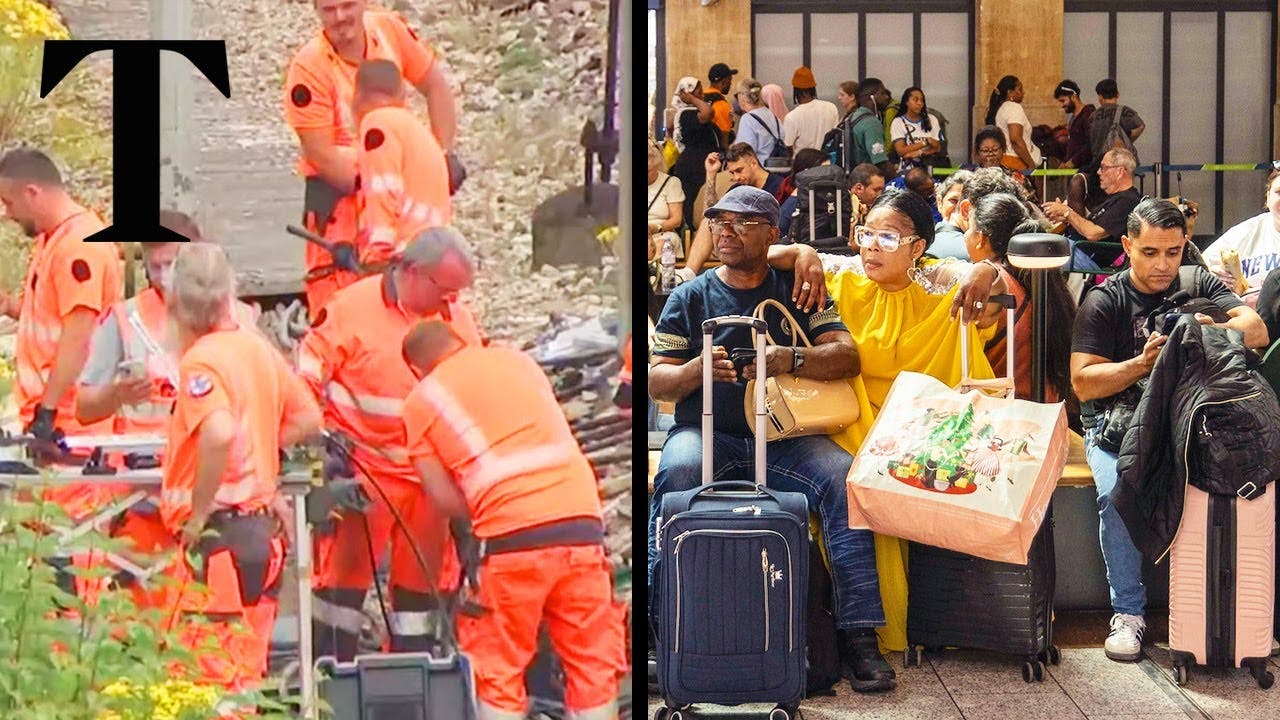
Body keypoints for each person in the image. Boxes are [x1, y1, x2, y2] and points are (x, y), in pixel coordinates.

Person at [649, 185, 897, 693]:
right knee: (678, 473)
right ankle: (658, 633)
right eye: (718, 221)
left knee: (841, 479)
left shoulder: (797, 288)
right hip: (707, 430)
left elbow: (847, 356)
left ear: (772, 233)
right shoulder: (690, 295)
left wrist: (790, 358)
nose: (725, 231)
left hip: (784, 438)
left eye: (742, 222)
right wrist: (698, 369)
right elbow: (656, 379)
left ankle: (857, 636)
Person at [766, 188, 1007, 654]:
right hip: (848, 416)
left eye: (889, 238)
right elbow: (764, 252)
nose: (872, 245)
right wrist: (804, 250)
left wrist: (985, 268)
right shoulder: (844, 272)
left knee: (903, 472)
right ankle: (855, 630)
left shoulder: (937, 279)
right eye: (866, 234)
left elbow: (989, 279)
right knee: (858, 478)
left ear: (918, 247)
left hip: (916, 421)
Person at [1070, 198, 1267, 663]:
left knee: (1243, 481)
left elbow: (1255, 330)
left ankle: (1225, 614)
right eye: (1150, 252)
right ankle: (1129, 613)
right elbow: (1082, 382)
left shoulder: (1195, 280)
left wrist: (1205, 328)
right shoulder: (1105, 299)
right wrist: (1142, 363)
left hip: (1191, 419)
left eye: (1173, 253)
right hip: (1117, 422)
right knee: (1118, 490)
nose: (1163, 265)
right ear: (1127, 246)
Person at [402, 320, 627, 720]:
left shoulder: (422, 398)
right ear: (463, 341)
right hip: (581, 523)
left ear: (418, 369)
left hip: (511, 541)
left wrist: (487, 506)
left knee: (498, 667)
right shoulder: (518, 362)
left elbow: (441, 496)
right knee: (592, 664)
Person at [297, 227, 481, 660]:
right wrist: (321, 450)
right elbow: (305, 376)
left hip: (429, 482)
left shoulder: (456, 318)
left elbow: (475, 383)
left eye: (456, 294)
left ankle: (414, 683)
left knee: (421, 600)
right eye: (444, 290)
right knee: (339, 594)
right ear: (413, 272)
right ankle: (330, 682)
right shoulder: (350, 308)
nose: (449, 303)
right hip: (366, 474)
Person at [72, 212, 259, 605]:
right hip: (146, 499)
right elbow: (85, 407)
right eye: (153, 266)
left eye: (171, 265)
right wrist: (119, 394)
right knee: (143, 619)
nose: (161, 276)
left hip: (221, 502)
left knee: (214, 621)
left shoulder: (240, 321)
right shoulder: (125, 320)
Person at [160, 242, 322, 691]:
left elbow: (217, 433)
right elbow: (308, 417)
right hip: (262, 537)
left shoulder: (203, 361)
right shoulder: (256, 349)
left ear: (176, 302)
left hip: (220, 539)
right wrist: (261, 446)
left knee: (206, 679)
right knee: (246, 678)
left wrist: (198, 511)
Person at [284, 0, 458, 319]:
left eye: (347, 6)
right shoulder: (309, 69)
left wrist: (440, 155)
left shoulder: (390, 31)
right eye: (329, 10)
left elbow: (436, 86)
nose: (340, 18)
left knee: (417, 300)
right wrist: (398, 174)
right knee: (340, 315)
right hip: (339, 207)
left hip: (392, 192)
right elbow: (321, 154)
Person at [0, 147, 123, 522]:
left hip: (69, 421)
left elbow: (78, 335)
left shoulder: (77, 246)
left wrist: (48, 411)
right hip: (51, 415)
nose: (7, 213)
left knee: (65, 532)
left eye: (8, 201)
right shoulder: (54, 240)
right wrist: (9, 306)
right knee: (40, 527)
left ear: (32, 192)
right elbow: (52, 320)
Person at [965, 193, 1076, 401]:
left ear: (981, 239)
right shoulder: (1036, 276)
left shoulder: (992, 286)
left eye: (968, 229)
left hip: (1005, 414)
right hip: (1045, 406)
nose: (965, 236)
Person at [352, 59, 452, 266]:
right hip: (434, 253)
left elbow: (384, 188)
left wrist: (377, 253)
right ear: (401, 95)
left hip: (405, 257)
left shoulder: (377, 124)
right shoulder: (418, 132)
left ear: (357, 96)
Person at [685, 143, 788, 274]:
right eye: (732, 172)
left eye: (739, 170)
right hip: (737, 241)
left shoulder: (780, 185)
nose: (736, 177)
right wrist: (711, 175)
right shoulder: (737, 189)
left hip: (767, 243)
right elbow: (709, 215)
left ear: (753, 163)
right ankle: (688, 273)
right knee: (708, 222)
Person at [1042, 148, 1142, 273]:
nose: (1099, 172)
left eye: (1104, 168)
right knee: (1033, 243)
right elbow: (1091, 225)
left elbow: (1093, 233)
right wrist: (1065, 217)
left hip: (1085, 257)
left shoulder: (1127, 201)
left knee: (1033, 251)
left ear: (1120, 171)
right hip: (1076, 249)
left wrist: (1067, 212)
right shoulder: (1115, 198)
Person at [1202, 169, 1280, 303]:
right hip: (1244, 318)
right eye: (1279, 192)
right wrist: (1212, 276)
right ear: (1267, 197)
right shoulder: (1246, 231)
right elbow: (1200, 267)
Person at [668, 76, 723, 231]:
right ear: (687, 92)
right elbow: (708, 112)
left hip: (702, 164)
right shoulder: (686, 114)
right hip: (693, 167)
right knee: (693, 203)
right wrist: (692, 99)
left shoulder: (691, 111)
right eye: (697, 88)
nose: (701, 91)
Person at [984, 75, 1040, 172]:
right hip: (1016, 163)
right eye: (1020, 89)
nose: (1023, 92)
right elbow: (1015, 140)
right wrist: (1031, 164)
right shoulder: (1013, 108)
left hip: (1001, 161)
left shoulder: (998, 109)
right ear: (1010, 93)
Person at [842, 79, 895, 177]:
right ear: (871, 97)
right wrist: (898, 180)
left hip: (854, 177)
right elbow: (880, 162)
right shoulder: (871, 123)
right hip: (868, 179)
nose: (887, 97)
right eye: (882, 93)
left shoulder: (853, 116)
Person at [733, 76, 786, 169]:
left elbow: (744, 153)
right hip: (778, 169)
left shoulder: (748, 119)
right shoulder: (771, 114)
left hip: (761, 171)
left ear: (742, 97)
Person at [783, 66, 839, 153]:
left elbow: (788, 145)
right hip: (828, 161)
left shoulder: (792, 117)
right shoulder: (831, 107)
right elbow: (836, 135)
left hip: (804, 163)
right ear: (813, 88)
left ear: (795, 90)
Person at [777, 148, 828, 239]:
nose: (830, 176)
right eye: (824, 171)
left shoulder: (820, 200)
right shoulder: (792, 206)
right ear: (806, 173)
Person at [889, 86, 943, 172]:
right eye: (915, 100)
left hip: (930, 167)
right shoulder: (898, 122)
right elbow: (901, 151)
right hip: (908, 170)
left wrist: (919, 153)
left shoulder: (932, 119)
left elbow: (938, 147)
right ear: (906, 102)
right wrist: (925, 142)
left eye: (922, 100)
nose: (920, 103)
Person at [647, 141, 685, 262]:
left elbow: (676, 220)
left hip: (662, 233)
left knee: (663, 245)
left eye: (648, 171)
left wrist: (655, 228)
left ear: (657, 166)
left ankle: (655, 278)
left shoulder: (671, 182)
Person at [1053, 80, 1094, 171]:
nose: (1062, 105)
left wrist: (1073, 161)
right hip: (1076, 169)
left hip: (1086, 170)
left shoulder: (1088, 115)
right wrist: (1066, 162)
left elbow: (1091, 144)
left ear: (1074, 97)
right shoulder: (1073, 119)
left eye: (1063, 101)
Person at [704, 62, 738, 149]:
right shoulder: (722, 105)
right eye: (730, 80)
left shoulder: (700, 98)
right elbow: (724, 141)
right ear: (724, 81)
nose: (731, 84)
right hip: (713, 154)